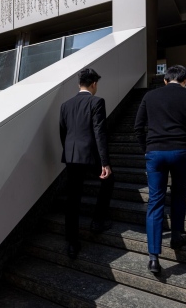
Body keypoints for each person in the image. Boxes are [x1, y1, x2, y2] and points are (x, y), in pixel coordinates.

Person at [133, 65, 186, 274]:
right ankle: (176, 236)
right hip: (181, 152)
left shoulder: (150, 96)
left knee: (155, 201)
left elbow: (138, 127)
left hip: (155, 153)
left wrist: (146, 149)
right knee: (179, 194)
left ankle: (154, 257)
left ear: (165, 80)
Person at [60, 68, 115, 259]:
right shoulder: (96, 101)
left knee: (73, 199)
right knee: (108, 181)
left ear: (79, 84)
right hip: (90, 155)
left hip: (71, 156)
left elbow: (63, 132)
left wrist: (69, 152)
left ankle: (72, 243)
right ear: (93, 84)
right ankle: (98, 221)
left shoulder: (65, 105)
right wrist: (105, 162)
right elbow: (100, 132)